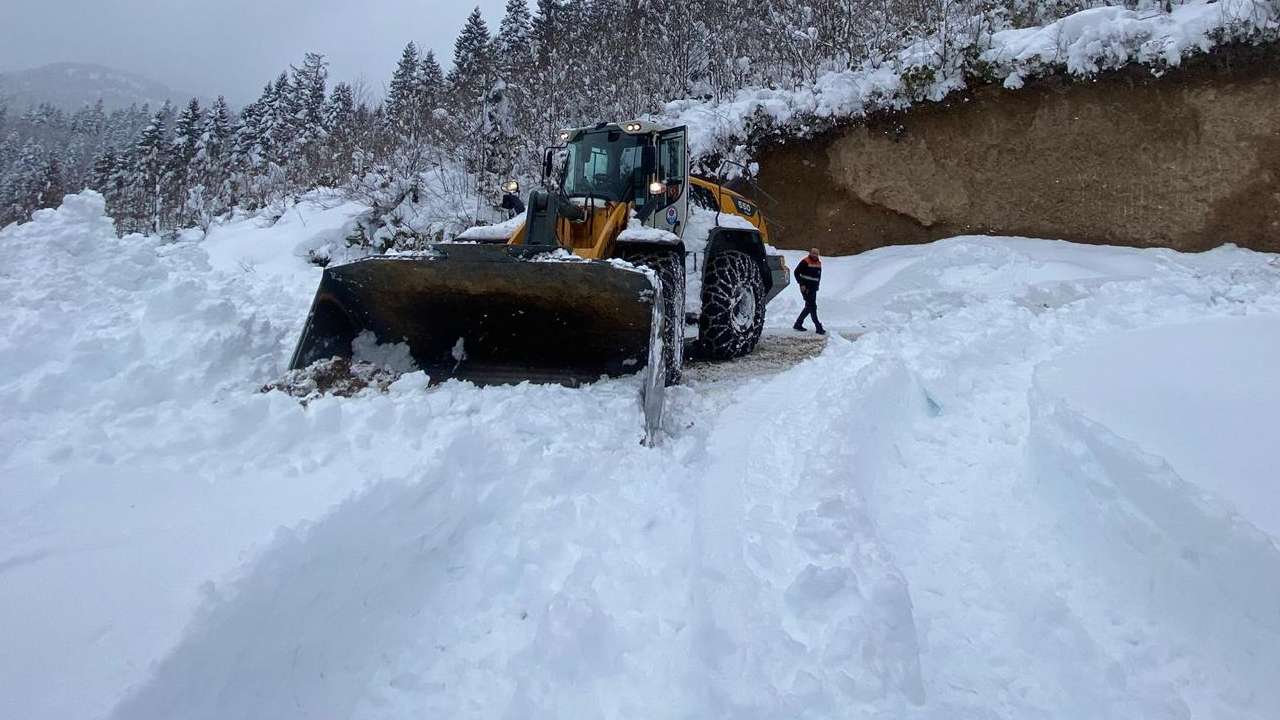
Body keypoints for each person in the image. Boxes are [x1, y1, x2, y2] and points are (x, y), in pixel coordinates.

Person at [793, 247, 825, 334]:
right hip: (806, 288)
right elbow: (796, 272)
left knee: (808, 307)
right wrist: (801, 284)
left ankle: (798, 324)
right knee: (812, 307)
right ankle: (818, 327)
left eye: (816, 253)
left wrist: (817, 286)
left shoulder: (818, 263)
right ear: (810, 253)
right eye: (813, 253)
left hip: (813, 289)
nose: (815, 255)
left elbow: (818, 277)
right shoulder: (805, 261)